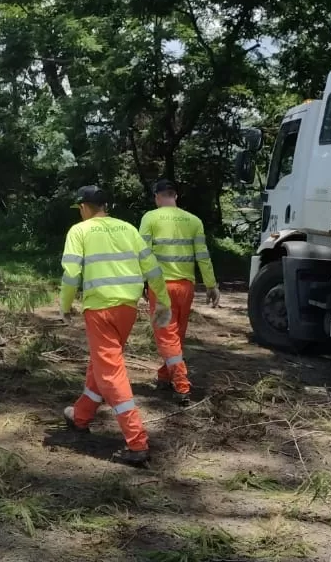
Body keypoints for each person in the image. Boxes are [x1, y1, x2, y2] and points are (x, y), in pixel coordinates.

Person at [59, 185, 172, 466]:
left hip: (99, 309)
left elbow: (72, 271)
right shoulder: (128, 229)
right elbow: (152, 268)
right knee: (100, 362)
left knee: (110, 371)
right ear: (105, 206)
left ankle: (137, 442)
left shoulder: (79, 231)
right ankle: (81, 416)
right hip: (127, 309)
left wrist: (64, 305)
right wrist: (163, 301)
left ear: (84, 207)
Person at [138, 179, 219, 404]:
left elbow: (142, 254)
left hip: (161, 287)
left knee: (166, 337)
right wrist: (211, 285)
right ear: (175, 196)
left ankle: (182, 386)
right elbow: (202, 255)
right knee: (176, 336)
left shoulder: (150, 218)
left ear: (157, 196)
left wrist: (141, 283)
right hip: (186, 287)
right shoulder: (193, 221)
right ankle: (164, 375)